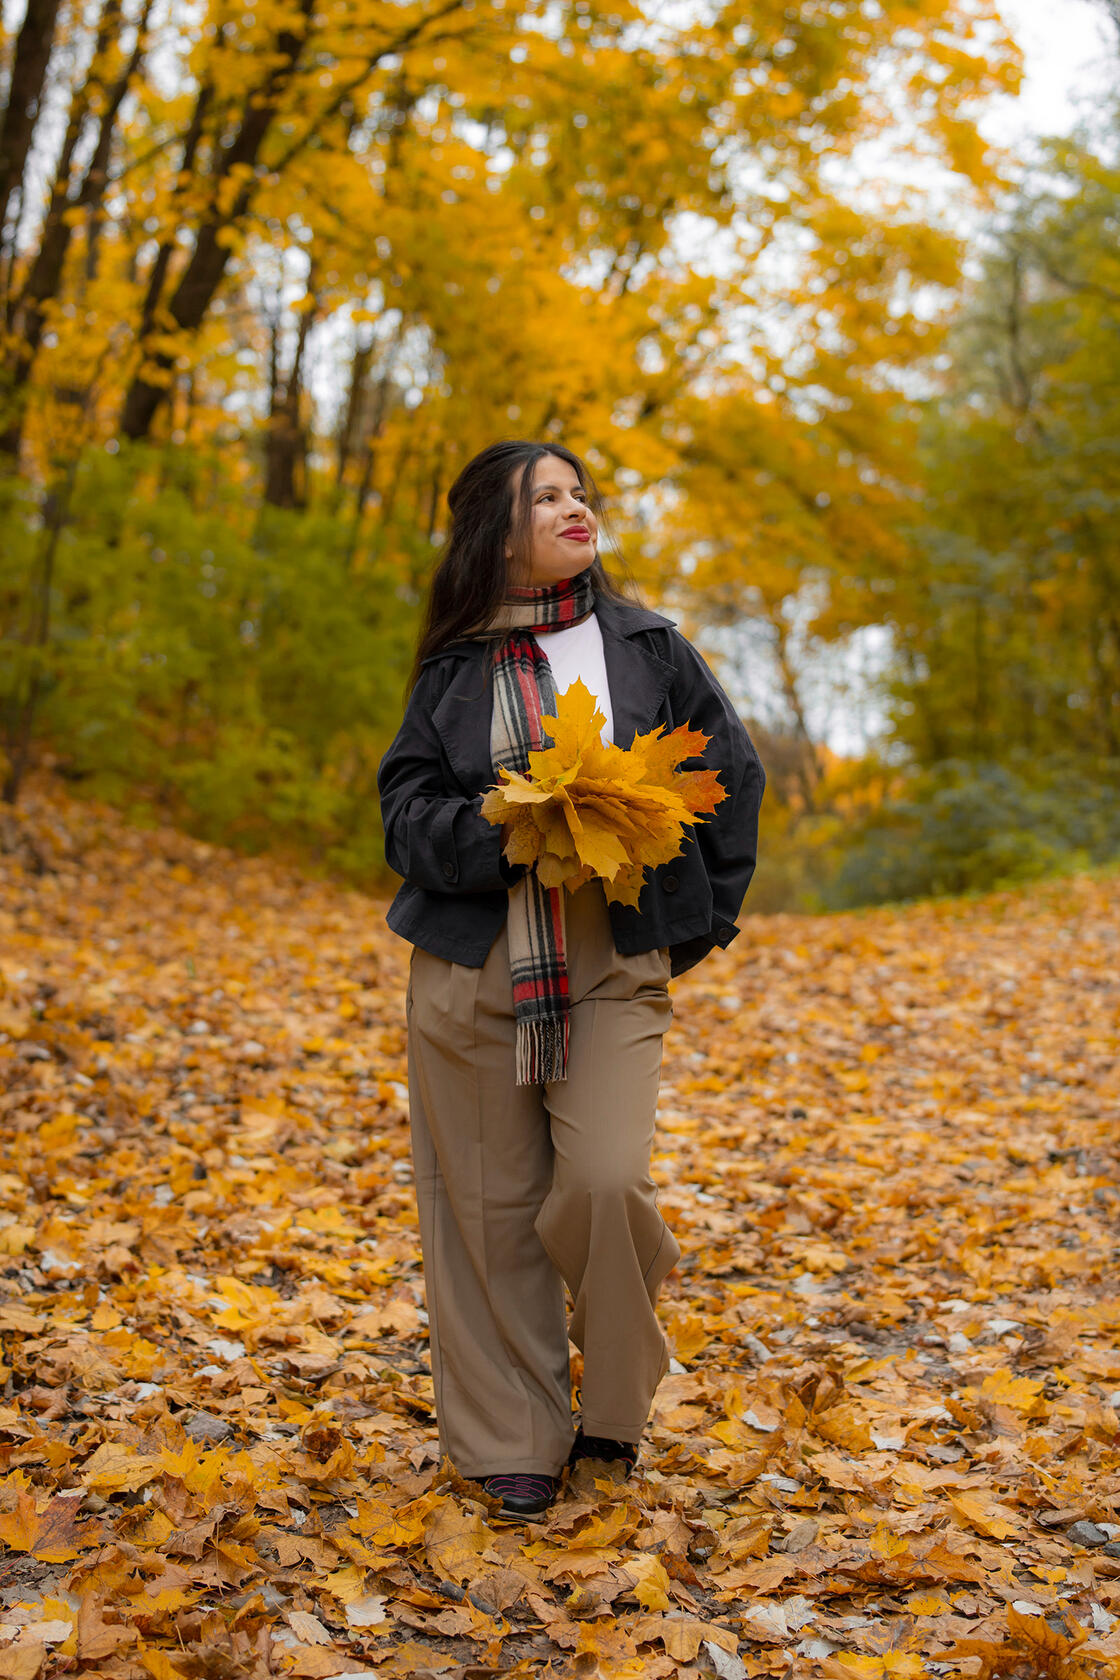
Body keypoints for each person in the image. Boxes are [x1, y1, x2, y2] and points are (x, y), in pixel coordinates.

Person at [377, 439, 765, 1520]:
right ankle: (515, 1436)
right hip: (474, 958)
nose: (571, 508)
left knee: (603, 1180)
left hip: (610, 952)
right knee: (490, 1213)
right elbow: (402, 815)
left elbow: (729, 775)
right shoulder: (452, 668)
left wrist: (695, 920)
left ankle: (614, 1403)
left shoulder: (646, 647)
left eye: (576, 492)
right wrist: (503, 832)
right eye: (542, 498)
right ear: (496, 536)